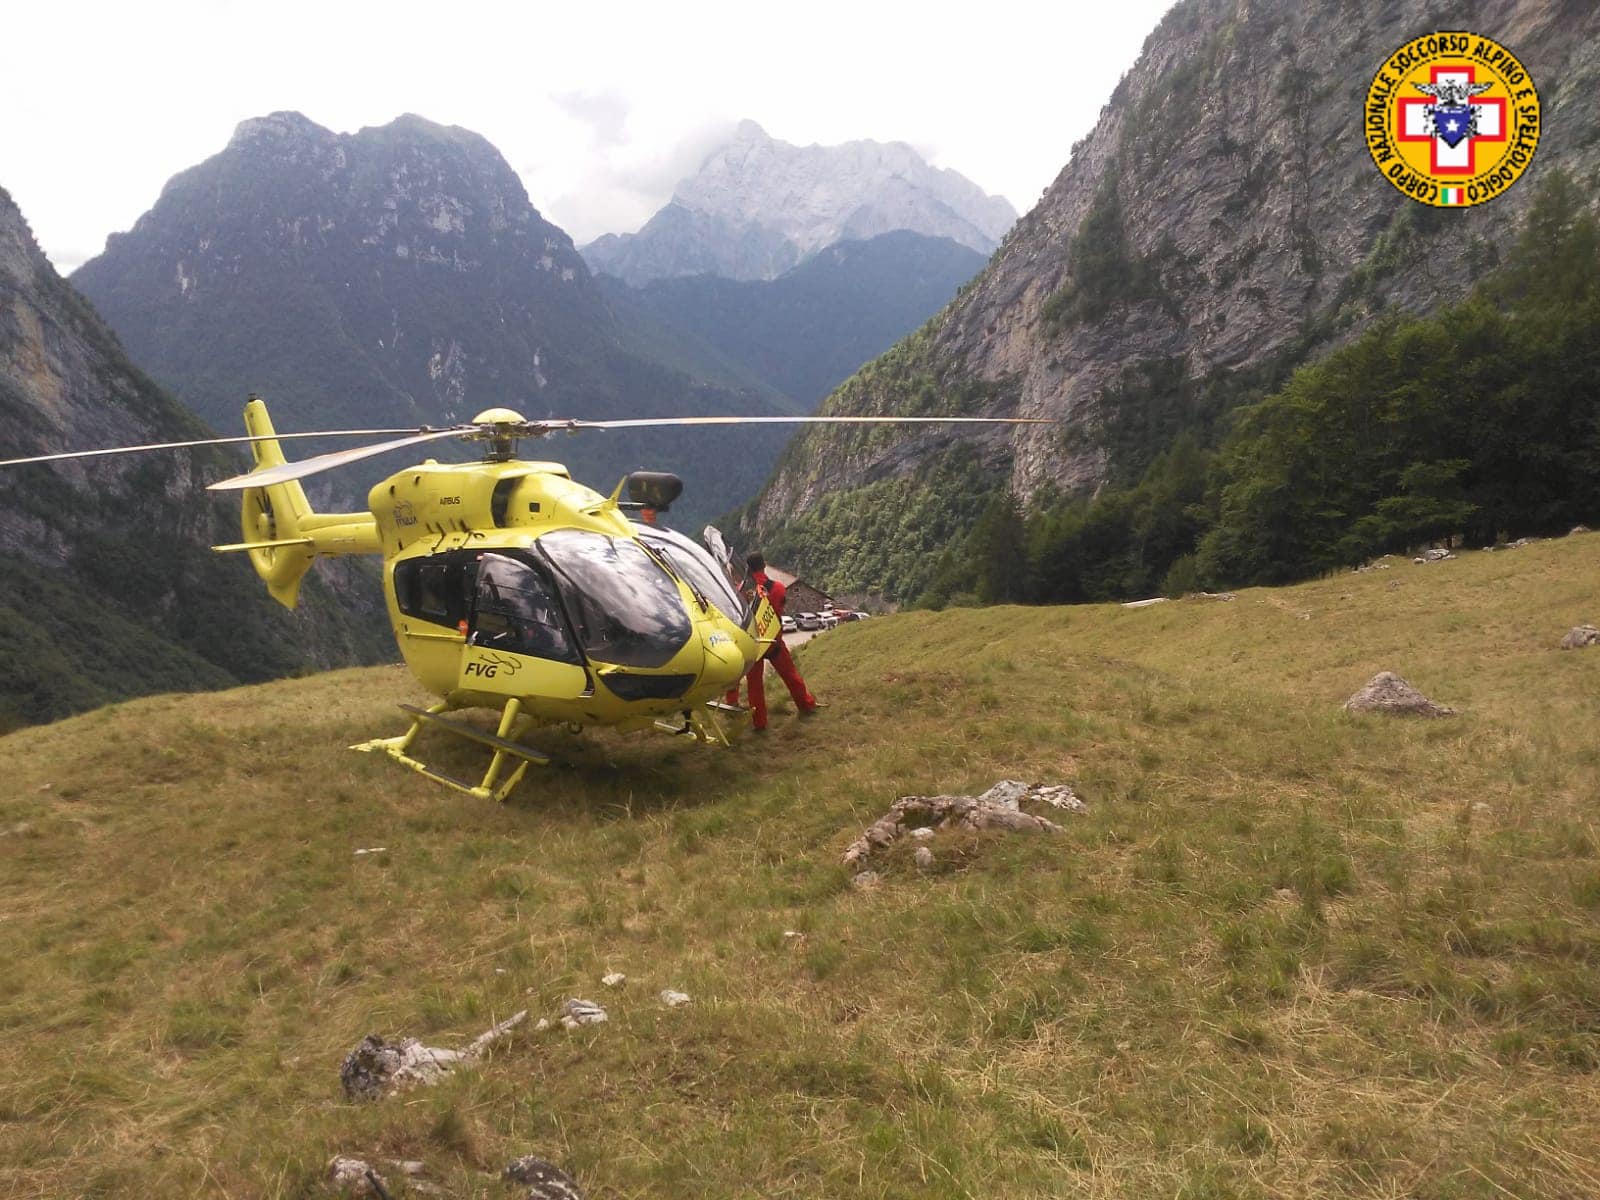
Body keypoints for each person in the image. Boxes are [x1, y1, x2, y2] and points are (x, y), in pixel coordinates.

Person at [726, 552, 819, 731]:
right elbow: (780, 605)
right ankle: (806, 705)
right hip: (774, 640)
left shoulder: (742, 591)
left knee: (754, 686)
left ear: (748, 569)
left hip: (755, 644)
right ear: (764, 565)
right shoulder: (777, 587)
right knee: (791, 676)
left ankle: (759, 722)